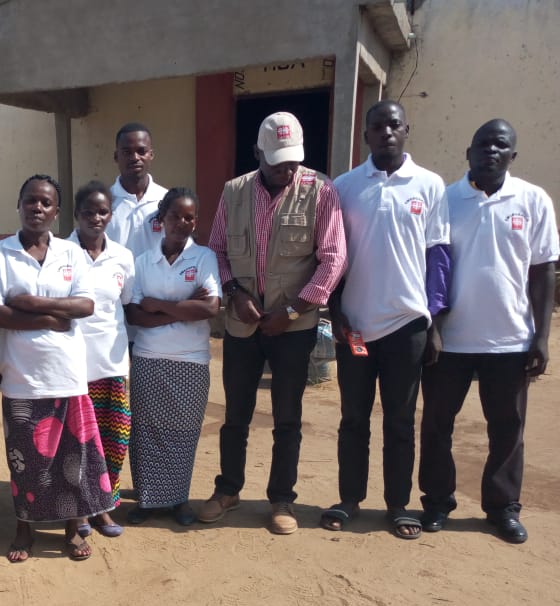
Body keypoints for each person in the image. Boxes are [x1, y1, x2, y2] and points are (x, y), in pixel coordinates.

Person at [202, 112, 347, 534]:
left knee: (287, 417)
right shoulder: (234, 192)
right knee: (236, 415)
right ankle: (227, 489)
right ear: (258, 153)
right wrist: (235, 293)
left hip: (293, 327)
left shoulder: (321, 191)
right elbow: (218, 251)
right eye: (277, 161)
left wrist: (293, 311)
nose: (286, 169)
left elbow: (333, 258)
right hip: (243, 325)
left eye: (292, 160)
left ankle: (282, 499)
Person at [418, 119, 557, 544]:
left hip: (510, 339)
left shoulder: (533, 200)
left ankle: (502, 509)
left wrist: (541, 337)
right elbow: (434, 267)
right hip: (452, 340)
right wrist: (434, 328)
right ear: (468, 152)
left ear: (512, 156)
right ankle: (438, 502)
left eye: (500, 146)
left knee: (507, 428)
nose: (490, 151)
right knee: (438, 424)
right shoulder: (445, 199)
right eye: (483, 144)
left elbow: (544, 272)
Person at [325, 100, 450, 540]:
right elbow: (334, 256)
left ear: (406, 129)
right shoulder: (345, 186)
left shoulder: (430, 185)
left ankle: (398, 504)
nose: (386, 133)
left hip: (406, 325)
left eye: (394, 125)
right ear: (366, 134)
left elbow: (438, 258)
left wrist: (433, 321)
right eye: (377, 126)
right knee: (353, 419)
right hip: (356, 327)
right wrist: (335, 312)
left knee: (399, 420)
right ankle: (348, 499)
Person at [0, 174, 113, 562]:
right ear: (19, 205)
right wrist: (53, 317)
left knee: (71, 459)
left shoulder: (71, 253)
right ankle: (24, 528)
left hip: (67, 375)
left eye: (46, 203)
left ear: (57, 212)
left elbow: (85, 306)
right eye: (31, 201)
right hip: (21, 377)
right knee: (27, 461)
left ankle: (73, 529)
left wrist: (32, 304)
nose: (37, 208)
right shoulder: (1, 254)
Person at [125, 188, 221, 526]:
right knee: (147, 430)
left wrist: (160, 307)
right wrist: (184, 308)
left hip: (191, 359)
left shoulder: (204, 257)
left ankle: (179, 500)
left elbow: (210, 307)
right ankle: (147, 501)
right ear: (161, 219)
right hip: (149, 356)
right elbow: (135, 315)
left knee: (183, 431)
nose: (182, 222)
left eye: (189, 217)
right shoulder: (142, 262)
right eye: (175, 216)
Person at [68, 181, 134, 537]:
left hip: (112, 366)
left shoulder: (122, 257)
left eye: (103, 211)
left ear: (111, 214)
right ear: (76, 215)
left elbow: (127, 304)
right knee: (78, 443)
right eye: (88, 211)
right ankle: (79, 510)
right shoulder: (61, 252)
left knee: (114, 441)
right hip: (74, 367)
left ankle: (105, 508)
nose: (96, 217)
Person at [107, 123, 168, 261]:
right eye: (127, 152)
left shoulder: (166, 199)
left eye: (141, 151)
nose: (135, 157)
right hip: (117, 282)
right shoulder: (104, 203)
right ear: (116, 156)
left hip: (157, 282)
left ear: (151, 155)